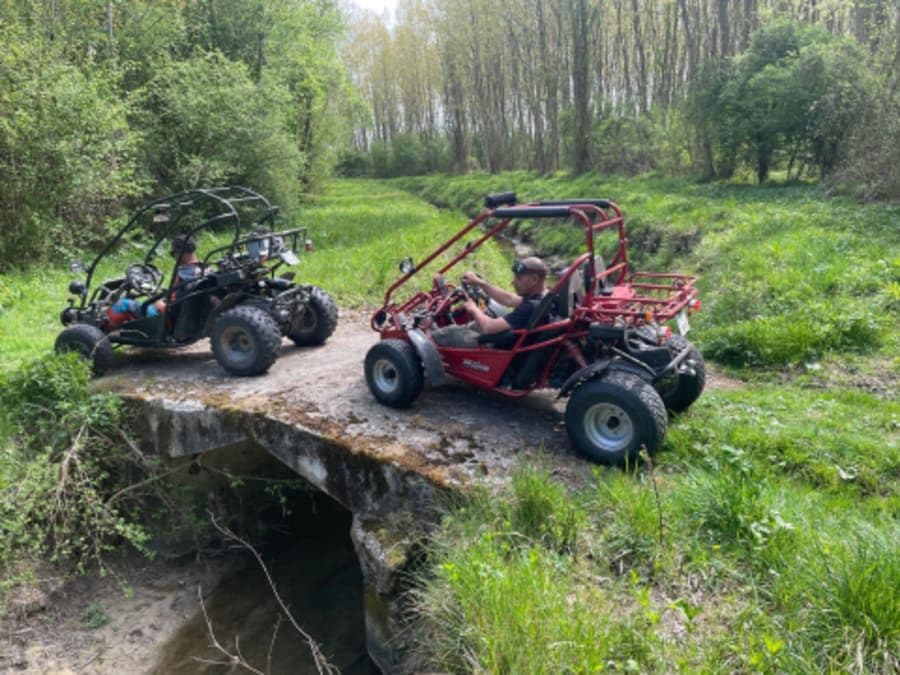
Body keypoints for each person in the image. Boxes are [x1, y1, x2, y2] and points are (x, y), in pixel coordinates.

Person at [431, 256, 549, 347]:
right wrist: (481, 283)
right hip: (508, 338)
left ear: (534, 279)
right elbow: (509, 299)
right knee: (474, 325)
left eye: (518, 278)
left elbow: (489, 327)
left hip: (495, 347)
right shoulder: (543, 298)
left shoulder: (529, 308)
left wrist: (473, 308)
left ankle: (429, 338)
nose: (513, 282)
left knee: (451, 332)